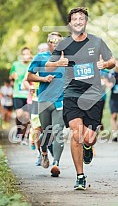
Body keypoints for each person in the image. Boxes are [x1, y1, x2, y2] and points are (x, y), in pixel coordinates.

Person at [45, 7, 115, 190]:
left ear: (86, 21)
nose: (78, 21)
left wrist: (105, 63)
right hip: (72, 93)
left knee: (89, 138)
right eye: (74, 19)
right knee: (76, 133)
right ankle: (80, 176)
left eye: (81, 18)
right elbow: (48, 65)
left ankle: (88, 147)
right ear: (70, 23)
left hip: (93, 95)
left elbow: (112, 61)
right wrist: (58, 62)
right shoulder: (63, 44)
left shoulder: (97, 41)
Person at [27, 32, 65, 177]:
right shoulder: (40, 57)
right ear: (48, 42)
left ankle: (56, 163)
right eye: (52, 40)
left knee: (58, 132)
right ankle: (43, 152)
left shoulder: (67, 59)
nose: (55, 43)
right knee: (47, 133)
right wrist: (43, 79)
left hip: (60, 100)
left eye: (58, 40)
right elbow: (29, 76)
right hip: (44, 100)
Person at [9, 47, 32, 144]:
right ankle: (19, 130)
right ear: (22, 56)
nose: (26, 56)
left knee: (26, 116)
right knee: (19, 114)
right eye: (24, 54)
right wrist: (12, 77)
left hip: (28, 94)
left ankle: (23, 136)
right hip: (18, 94)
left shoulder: (32, 65)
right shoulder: (16, 64)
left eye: (28, 54)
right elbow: (11, 78)